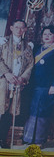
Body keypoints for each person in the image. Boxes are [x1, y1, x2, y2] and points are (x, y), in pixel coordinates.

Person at [23, 25, 54, 147]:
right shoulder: (37, 48)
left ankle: (39, 140)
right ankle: (29, 138)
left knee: (42, 111)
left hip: (47, 86)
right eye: (45, 34)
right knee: (32, 110)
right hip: (34, 85)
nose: (47, 36)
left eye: (50, 34)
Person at [0, 19, 34, 148]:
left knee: (9, 111)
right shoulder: (3, 42)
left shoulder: (27, 46)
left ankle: (2, 139)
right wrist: (6, 74)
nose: (19, 30)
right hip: (3, 80)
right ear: (11, 28)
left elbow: (30, 64)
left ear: (25, 30)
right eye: (17, 27)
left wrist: (22, 78)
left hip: (17, 82)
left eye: (22, 28)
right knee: (0, 107)